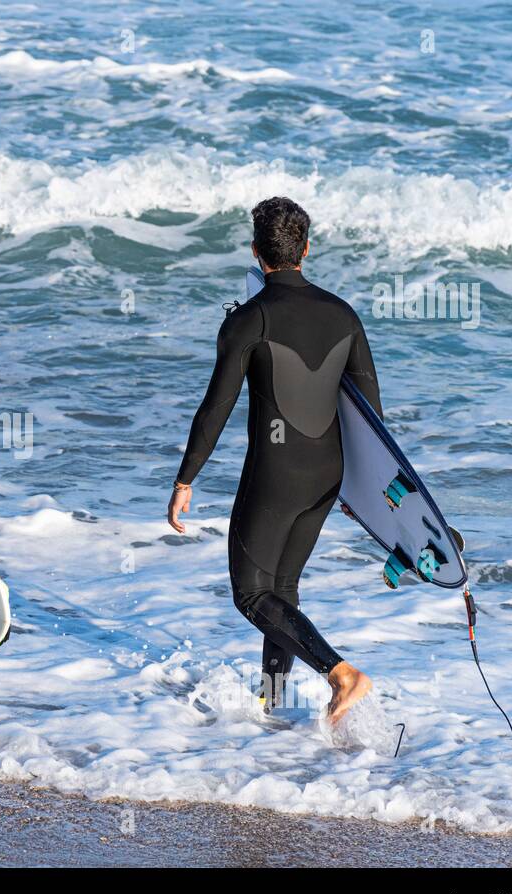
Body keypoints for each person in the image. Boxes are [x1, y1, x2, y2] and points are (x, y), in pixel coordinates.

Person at [167, 197, 379, 723]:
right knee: (282, 590)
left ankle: (340, 673)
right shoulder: (343, 314)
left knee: (250, 594)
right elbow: (371, 413)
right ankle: (273, 701)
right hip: (327, 476)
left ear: (256, 252)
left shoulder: (248, 320)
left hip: (275, 475)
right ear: (307, 249)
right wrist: (363, 490)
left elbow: (216, 405)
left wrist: (185, 478)